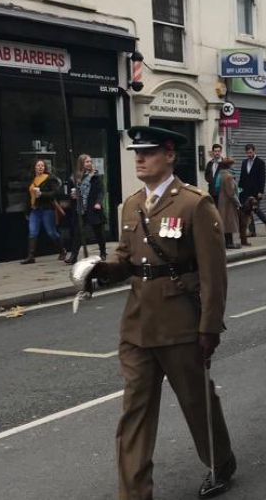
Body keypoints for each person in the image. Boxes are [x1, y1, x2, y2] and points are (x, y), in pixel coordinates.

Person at [85, 126, 236, 499]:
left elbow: (213, 274)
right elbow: (125, 257)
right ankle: (134, 492)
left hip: (180, 323)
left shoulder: (194, 204)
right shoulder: (131, 204)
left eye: (149, 152)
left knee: (196, 401)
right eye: (137, 152)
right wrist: (101, 270)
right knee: (134, 410)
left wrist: (209, 327)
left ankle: (220, 462)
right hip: (137, 323)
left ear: (170, 155)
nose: (139, 158)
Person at [21, 160, 67, 264]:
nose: (40, 167)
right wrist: (27, 211)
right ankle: (31, 256)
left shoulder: (50, 178)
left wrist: (42, 194)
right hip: (34, 210)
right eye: (38, 165)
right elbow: (28, 197)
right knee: (32, 232)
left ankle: (62, 250)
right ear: (35, 167)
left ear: (45, 167)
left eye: (42, 166)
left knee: (51, 232)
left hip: (47, 209)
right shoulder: (32, 179)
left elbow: (54, 193)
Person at [65, 154, 107, 264]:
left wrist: (98, 203)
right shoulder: (74, 178)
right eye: (87, 161)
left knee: (99, 232)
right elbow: (69, 192)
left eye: (90, 161)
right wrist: (72, 196)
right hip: (80, 209)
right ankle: (74, 256)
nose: (89, 163)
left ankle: (103, 252)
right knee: (78, 233)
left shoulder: (95, 176)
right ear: (81, 163)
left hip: (93, 208)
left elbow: (101, 191)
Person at [238, 143, 266, 236]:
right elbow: (242, 176)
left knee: (256, 209)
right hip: (245, 190)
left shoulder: (260, 162)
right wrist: (239, 188)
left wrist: (261, 191)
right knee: (247, 210)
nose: (249, 154)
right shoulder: (244, 162)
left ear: (254, 151)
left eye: (250, 152)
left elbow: (262, 178)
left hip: (256, 191)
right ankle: (252, 231)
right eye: (247, 153)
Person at [216, 158, 242, 249]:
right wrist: (238, 203)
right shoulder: (228, 176)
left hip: (222, 201)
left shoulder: (221, 174)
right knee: (229, 222)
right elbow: (231, 193)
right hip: (228, 203)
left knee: (226, 222)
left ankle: (227, 242)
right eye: (232, 164)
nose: (233, 166)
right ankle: (229, 243)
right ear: (229, 165)